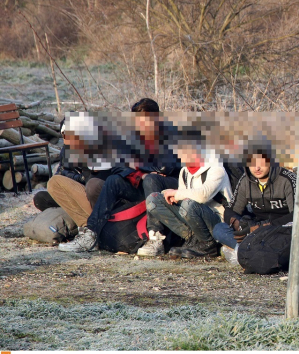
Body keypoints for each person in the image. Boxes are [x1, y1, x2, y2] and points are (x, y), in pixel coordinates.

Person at [59, 99, 180, 254]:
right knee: (113, 180)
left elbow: (165, 167)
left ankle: (155, 239)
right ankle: (91, 234)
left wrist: (137, 165)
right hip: (143, 186)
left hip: (169, 187)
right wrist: (140, 174)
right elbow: (117, 165)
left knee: (151, 179)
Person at [142, 129, 233, 258]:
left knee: (189, 203)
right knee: (154, 200)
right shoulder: (184, 171)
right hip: (195, 219)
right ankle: (193, 240)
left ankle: (208, 245)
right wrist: (171, 195)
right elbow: (182, 198)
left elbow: (202, 196)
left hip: (218, 222)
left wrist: (176, 193)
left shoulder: (216, 168)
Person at [213, 139, 296, 265]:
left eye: (262, 163)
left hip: (281, 228)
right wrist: (238, 223)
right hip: (255, 229)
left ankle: (245, 250)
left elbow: (297, 215)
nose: (256, 168)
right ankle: (245, 249)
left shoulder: (287, 179)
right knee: (219, 229)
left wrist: (264, 227)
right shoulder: (245, 181)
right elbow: (231, 209)